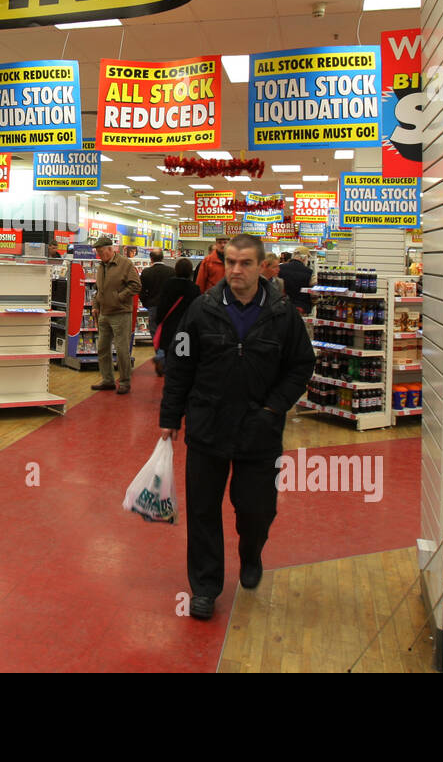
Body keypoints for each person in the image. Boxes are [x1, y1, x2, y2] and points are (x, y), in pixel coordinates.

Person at [159, 233, 315, 621]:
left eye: (245, 263)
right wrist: (169, 417)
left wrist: (273, 407)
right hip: (207, 426)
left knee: (256, 509)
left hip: (259, 430)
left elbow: (301, 365)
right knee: (203, 511)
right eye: (230, 262)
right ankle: (206, 587)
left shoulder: (282, 313)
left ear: (262, 266)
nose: (236, 270)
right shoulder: (200, 310)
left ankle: (251, 552)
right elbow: (180, 366)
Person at [90, 236, 142, 395]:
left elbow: (136, 285)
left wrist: (119, 297)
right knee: (102, 348)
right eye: (97, 252)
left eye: (101, 252)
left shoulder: (125, 264)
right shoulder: (101, 266)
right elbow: (99, 289)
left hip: (120, 313)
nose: (99, 255)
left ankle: (125, 381)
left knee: (121, 350)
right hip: (104, 313)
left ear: (110, 249)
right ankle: (108, 380)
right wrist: (95, 305)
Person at [150, 256, 199, 376]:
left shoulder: (168, 284)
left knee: (167, 350)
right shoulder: (194, 289)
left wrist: (160, 320)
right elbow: (196, 310)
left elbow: (162, 304)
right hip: (185, 329)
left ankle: (164, 365)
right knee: (182, 356)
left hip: (169, 326)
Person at [138, 248, 174, 356]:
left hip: (153, 306)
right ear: (163, 257)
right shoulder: (171, 271)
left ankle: (159, 353)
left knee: (154, 331)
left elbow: (142, 291)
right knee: (167, 331)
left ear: (151, 258)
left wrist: (146, 304)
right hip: (168, 307)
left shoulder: (146, 272)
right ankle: (167, 353)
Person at [279, 250, 314, 314]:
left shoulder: (280, 268)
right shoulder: (309, 272)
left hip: (283, 306)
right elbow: (313, 294)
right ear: (304, 258)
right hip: (301, 308)